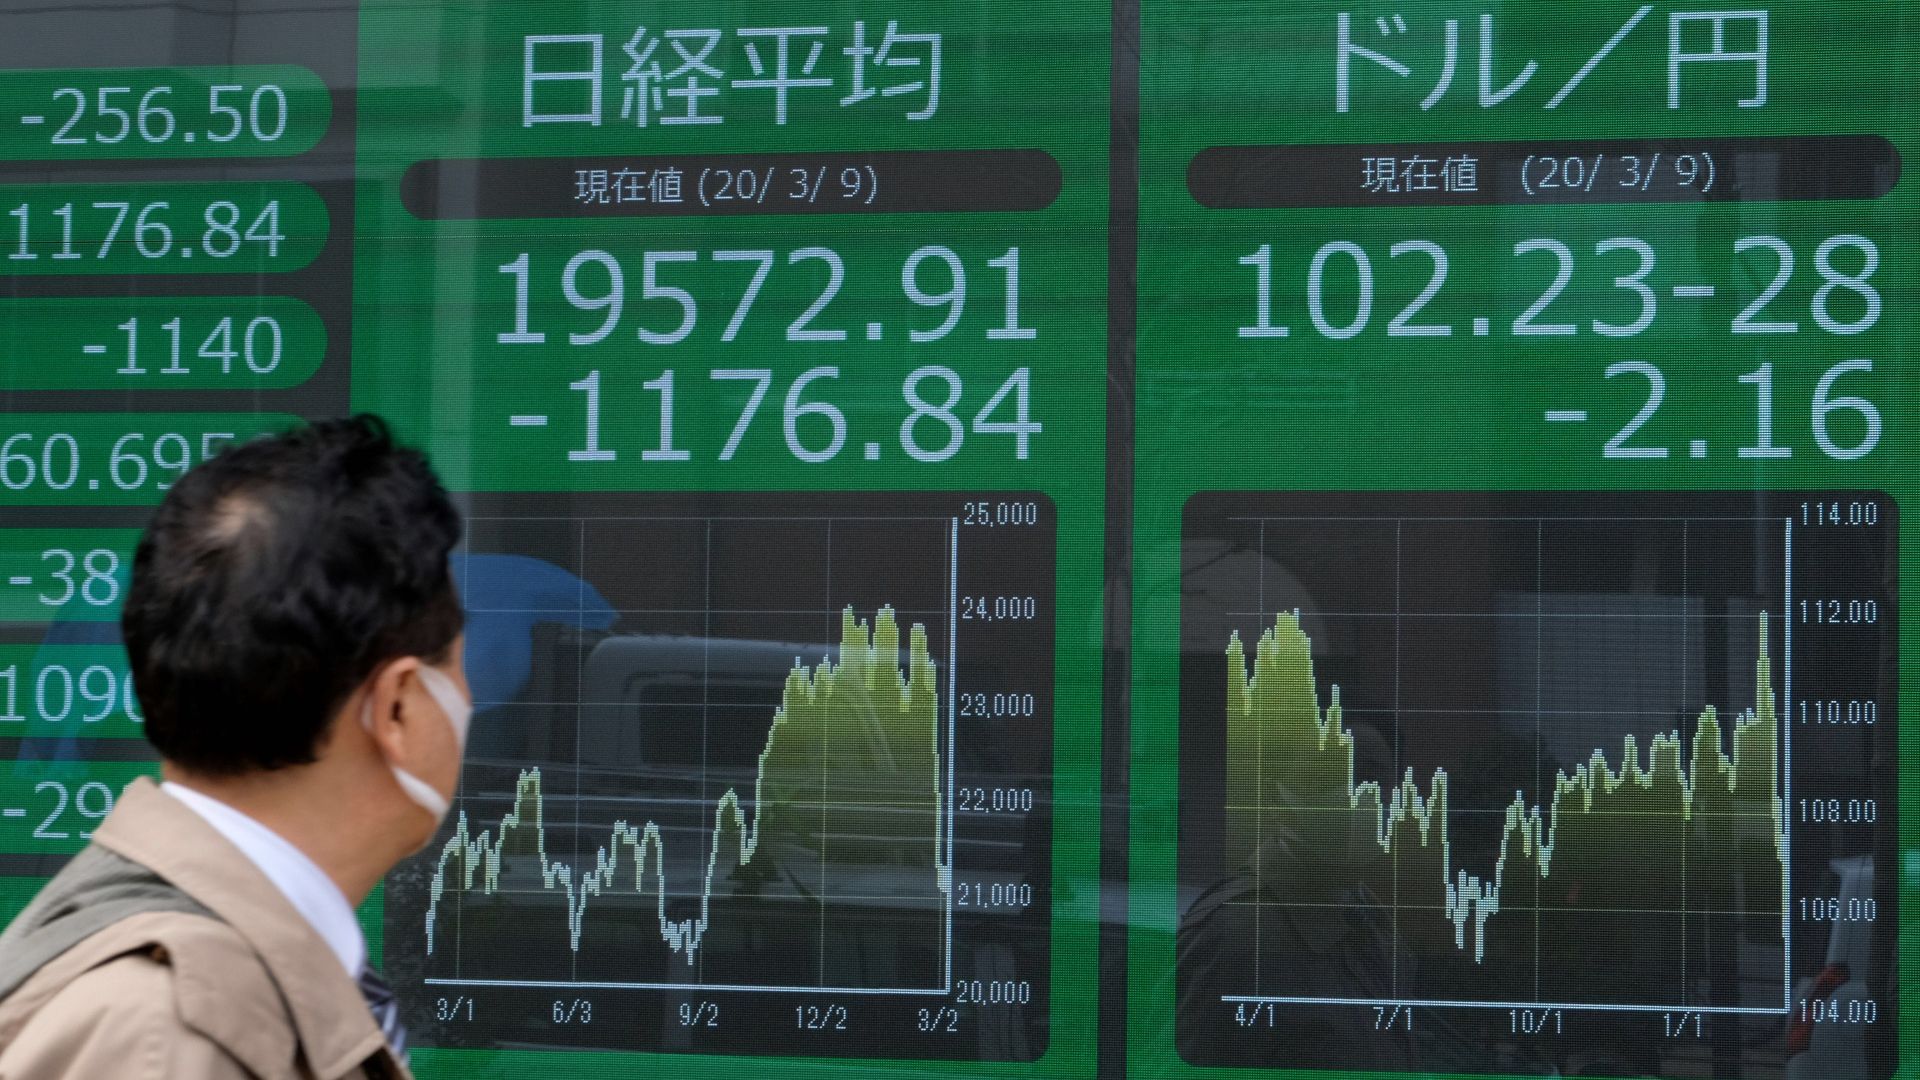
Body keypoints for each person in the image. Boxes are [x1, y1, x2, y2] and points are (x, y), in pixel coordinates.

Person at [0, 416, 468, 1080]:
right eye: (457, 665)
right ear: (396, 707)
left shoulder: (214, 983)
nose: (469, 701)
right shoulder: (170, 1035)